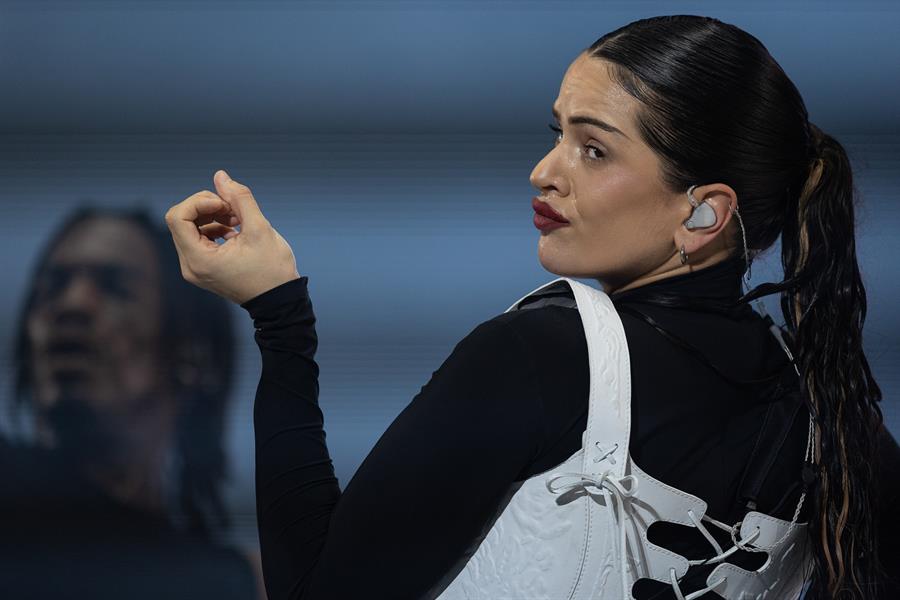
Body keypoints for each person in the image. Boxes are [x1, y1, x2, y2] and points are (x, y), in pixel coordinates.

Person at [165, 15, 898, 599]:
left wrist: (278, 318)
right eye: (560, 135)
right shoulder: (828, 413)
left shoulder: (541, 357)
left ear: (703, 214)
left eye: (594, 150)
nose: (543, 173)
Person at [3, 207, 260, 600]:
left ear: (191, 355)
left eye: (115, 288)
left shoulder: (227, 582)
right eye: (52, 287)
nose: (72, 305)